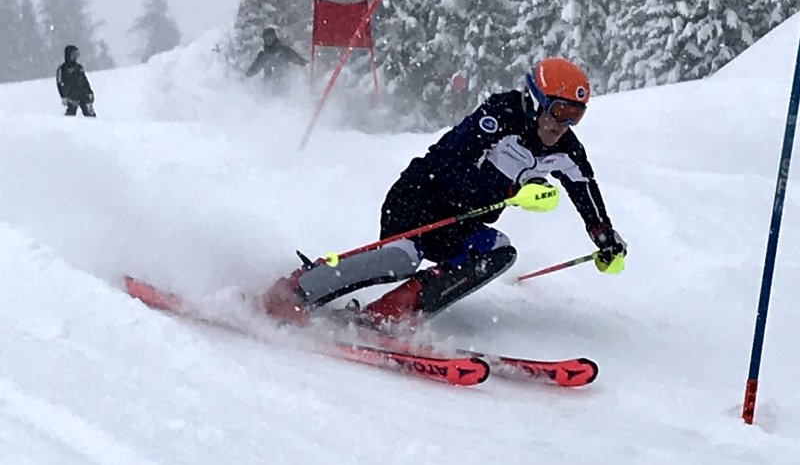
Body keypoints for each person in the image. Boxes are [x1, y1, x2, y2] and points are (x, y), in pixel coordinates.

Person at [263, 56, 626, 328]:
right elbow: (449, 163)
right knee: (400, 260)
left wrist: (604, 236)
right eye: (559, 111)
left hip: (463, 224)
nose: (562, 125)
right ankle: (297, 290)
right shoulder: (500, 116)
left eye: (575, 116)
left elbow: (585, 189)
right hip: (420, 199)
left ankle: (392, 313)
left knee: (499, 251)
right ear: (534, 101)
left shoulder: (567, 149)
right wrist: (511, 188)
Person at [55, 45, 96, 117]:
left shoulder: (79, 68)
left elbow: (85, 82)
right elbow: (59, 83)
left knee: (89, 114)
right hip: (70, 96)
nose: (75, 57)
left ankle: (94, 125)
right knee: (70, 115)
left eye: (77, 54)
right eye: (73, 54)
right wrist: (63, 96)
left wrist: (89, 92)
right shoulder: (62, 69)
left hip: (82, 94)